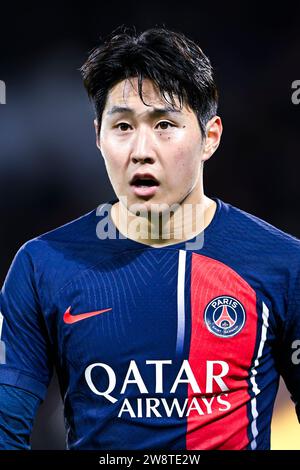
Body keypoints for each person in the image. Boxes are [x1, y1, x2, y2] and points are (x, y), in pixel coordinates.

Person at [0, 25, 299, 451]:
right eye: (122, 126)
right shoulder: (41, 264)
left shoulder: (284, 264)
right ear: (97, 137)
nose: (142, 149)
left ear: (209, 137)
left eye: (164, 124)